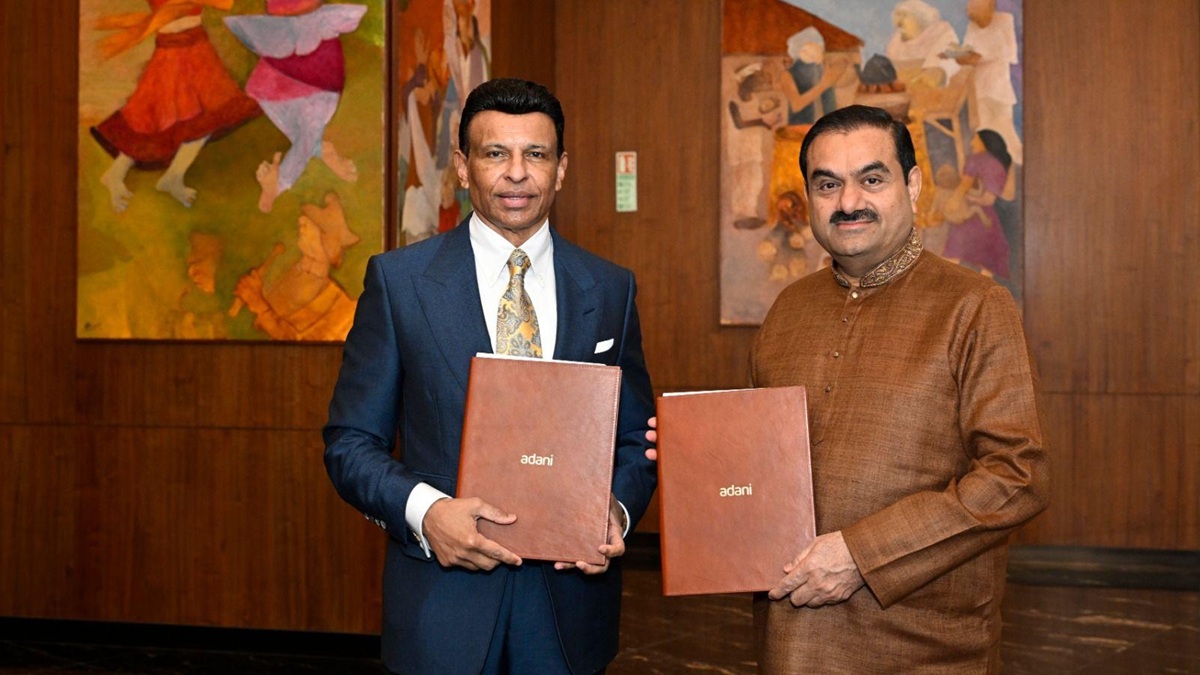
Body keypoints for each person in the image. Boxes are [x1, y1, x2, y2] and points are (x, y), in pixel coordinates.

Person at [649, 105, 1048, 672]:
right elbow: (760, 468)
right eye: (828, 184)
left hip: (924, 644)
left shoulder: (976, 307)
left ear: (912, 185)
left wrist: (862, 556)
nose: (848, 201)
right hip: (790, 640)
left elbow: (1017, 476)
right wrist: (698, 459)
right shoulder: (789, 309)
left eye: (872, 179)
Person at [324, 78, 656, 675]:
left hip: (569, 611)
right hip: (442, 607)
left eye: (536, 154)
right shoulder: (399, 284)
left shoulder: (610, 288)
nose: (517, 173)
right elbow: (350, 443)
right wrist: (427, 513)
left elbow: (637, 437)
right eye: (495, 153)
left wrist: (618, 510)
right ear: (462, 166)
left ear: (560, 169)